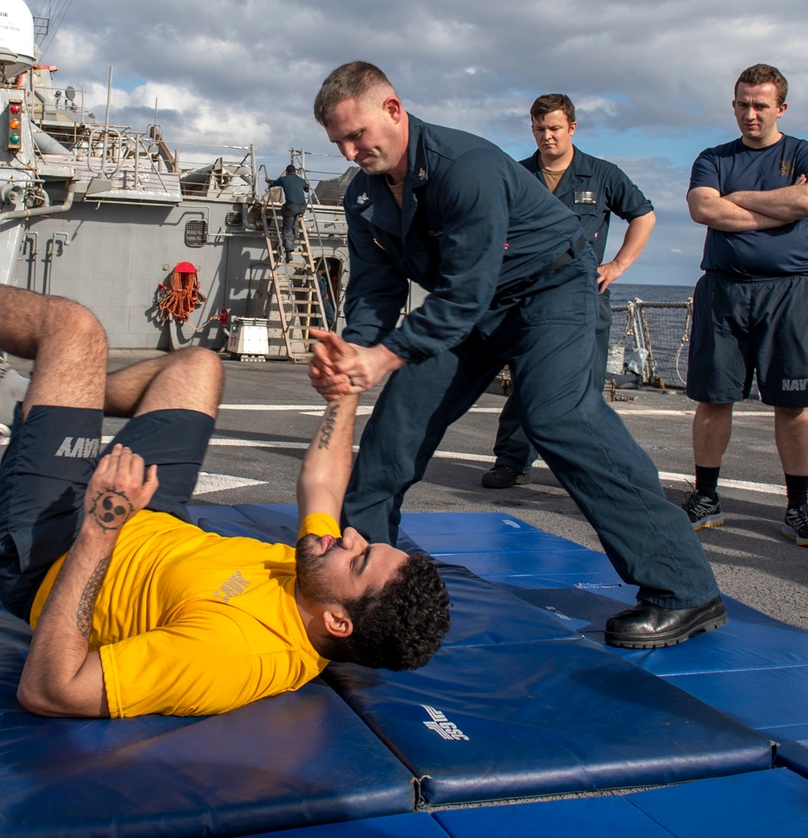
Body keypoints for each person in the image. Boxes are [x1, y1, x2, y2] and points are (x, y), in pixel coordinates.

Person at [0, 171, 450, 718]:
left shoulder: (235, 653)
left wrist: (101, 528)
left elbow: (52, 691)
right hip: (149, 514)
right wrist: (346, 388)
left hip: (55, 551)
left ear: (338, 624)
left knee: (74, 331)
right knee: (197, 365)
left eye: (360, 557)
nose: (350, 536)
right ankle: (39, 405)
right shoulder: (317, 576)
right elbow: (325, 483)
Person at [310, 61, 726, 650]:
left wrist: (387, 355)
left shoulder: (465, 169)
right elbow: (376, 289)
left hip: (549, 288)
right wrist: (353, 349)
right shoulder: (364, 197)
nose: (351, 151)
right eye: (339, 143)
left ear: (394, 111)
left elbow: (465, 291)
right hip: (473, 309)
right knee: (396, 425)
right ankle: (359, 583)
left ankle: (684, 588)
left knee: (558, 415)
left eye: (357, 135)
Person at [482, 93, 656, 489]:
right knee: (526, 379)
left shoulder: (602, 174)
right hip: (530, 294)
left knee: (586, 386)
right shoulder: (517, 173)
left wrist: (618, 265)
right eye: (540, 129)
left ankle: (585, 469)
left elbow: (643, 215)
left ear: (572, 128)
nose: (547, 136)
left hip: (584, 295)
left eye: (555, 128)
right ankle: (512, 460)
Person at [683, 64, 808, 545]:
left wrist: (741, 200)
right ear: (733, 105)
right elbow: (703, 209)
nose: (750, 113)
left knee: (793, 403)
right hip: (724, 290)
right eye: (742, 103)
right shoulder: (713, 156)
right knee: (713, 398)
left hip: (789, 291)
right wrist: (777, 210)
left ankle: (798, 506)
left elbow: (805, 204)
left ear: (781, 107)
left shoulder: (801, 151)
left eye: (760, 104)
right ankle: (706, 496)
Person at [268, 164, 310, 262]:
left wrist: (268, 180)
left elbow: (274, 183)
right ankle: (295, 236)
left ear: (286, 172)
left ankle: (288, 252)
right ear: (295, 172)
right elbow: (307, 189)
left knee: (287, 228)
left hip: (291, 207)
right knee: (294, 221)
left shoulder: (284, 179)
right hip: (301, 207)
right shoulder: (301, 180)